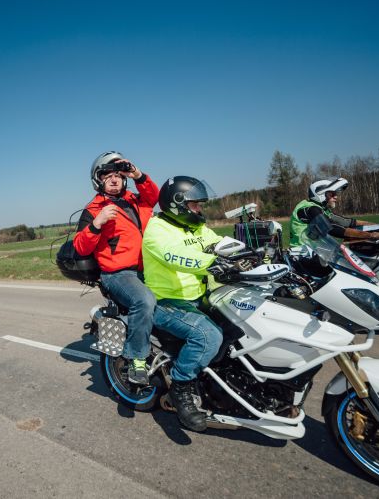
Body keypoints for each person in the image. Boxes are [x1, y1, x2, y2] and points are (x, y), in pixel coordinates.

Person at [142, 176, 251, 432]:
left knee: (241, 325)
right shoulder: (157, 230)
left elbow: (219, 243)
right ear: (177, 204)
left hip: (199, 298)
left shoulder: (195, 227)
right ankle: (180, 388)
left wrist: (249, 253)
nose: (199, 209)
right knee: (208, 336)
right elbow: (176, 256)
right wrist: (213, 263)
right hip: (168, 303)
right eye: (195, 204)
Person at [74, 151, 159, 385]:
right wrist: (97, 223)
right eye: (107, 175)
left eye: (119, 175)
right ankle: (136, 360)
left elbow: (154, 196)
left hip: (149, 269)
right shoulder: (94, 209)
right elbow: (80, 247)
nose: (114, 179)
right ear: (98, 180)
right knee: (144, 301)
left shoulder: (136, 200)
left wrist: (137, 174)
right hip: (118, 274)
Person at [289, 177, 379, 249]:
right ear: (320, 194)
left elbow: (346, 222)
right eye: (332, 194)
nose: (336, 197)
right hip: (302, 252)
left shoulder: (321, 209)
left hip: (315, 250)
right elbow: (332, 228)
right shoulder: (311, 209)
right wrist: (373, 235)